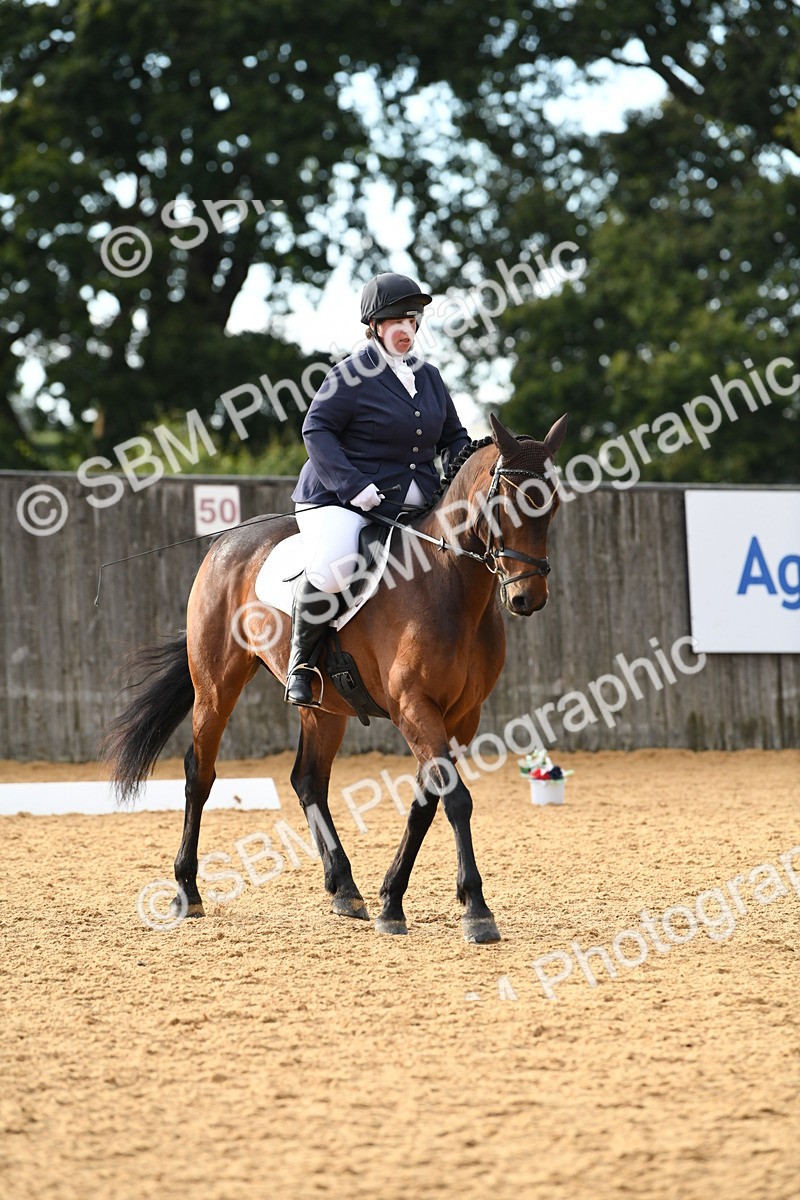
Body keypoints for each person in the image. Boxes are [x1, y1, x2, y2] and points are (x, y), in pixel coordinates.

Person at [285, 271, 471, 706]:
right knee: (333, 567)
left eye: (413, 319)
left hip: (412, 505)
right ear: (374, 327)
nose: (407, 329)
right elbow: (316, 430)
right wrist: (353, 487)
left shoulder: (429, 378)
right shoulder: (350, 375)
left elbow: (455, 438)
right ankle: (301, 664)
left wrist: (457, 481)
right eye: (396, 321)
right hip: (338, 500)